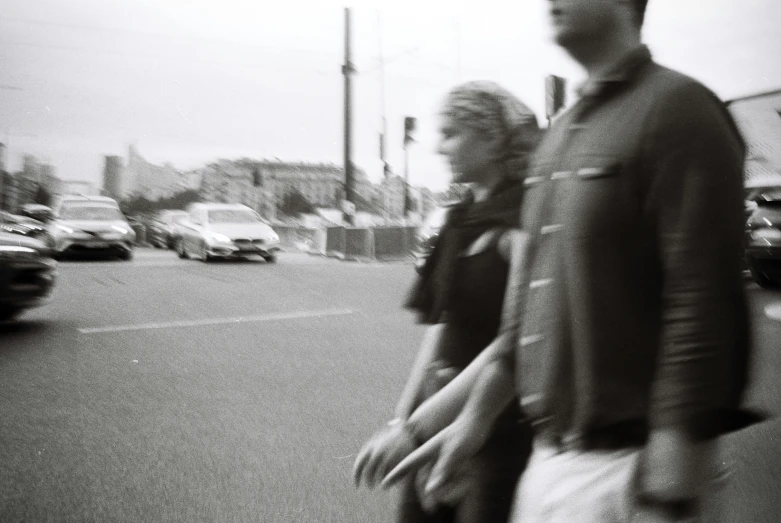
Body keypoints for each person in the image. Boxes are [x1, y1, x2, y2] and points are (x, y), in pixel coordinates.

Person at [381, 1, 760, 522]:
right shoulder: (560, 136)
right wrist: (470, 423)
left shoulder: (679, 109)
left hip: (630, 470)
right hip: (551, 461)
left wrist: (671, 486)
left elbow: (703, 305)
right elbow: (524, 322)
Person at [352, 81, 540, 523]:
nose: (439, 148)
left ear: (493, 139)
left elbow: (510, 343)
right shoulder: (459, 220)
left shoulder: (524, 220)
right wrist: (404, 422)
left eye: (451, 133)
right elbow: (441, 328)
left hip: (493, 431)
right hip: (435, 418)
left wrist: (419, 429)